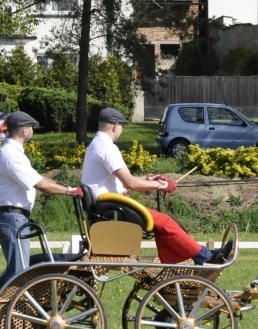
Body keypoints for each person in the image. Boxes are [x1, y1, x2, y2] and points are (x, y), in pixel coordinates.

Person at [81, 107, 231, 265]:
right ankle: (205, 257)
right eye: (122, 126)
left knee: (164, 223)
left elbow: (120, 180)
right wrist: (162, 185)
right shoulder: (107, 148)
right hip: (110, 209)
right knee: (165, 222)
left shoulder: (97, 145)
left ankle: (181, 258)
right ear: (115, 126)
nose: (121, 130)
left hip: (106, 207)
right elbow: (130, 183)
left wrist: (149, 178)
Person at [0, 111, 84, 290]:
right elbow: (41, 185)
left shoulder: (12, 153)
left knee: (19, 270)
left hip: (15, 218)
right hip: (13, 219)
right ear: (25, 130)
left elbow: (38, 178)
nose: (32, 131)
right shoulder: (12, 155)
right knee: (18, 276)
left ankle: (11, 313)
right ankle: (9, 314)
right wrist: (69, 191)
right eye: (31, 128)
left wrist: (67, 186)